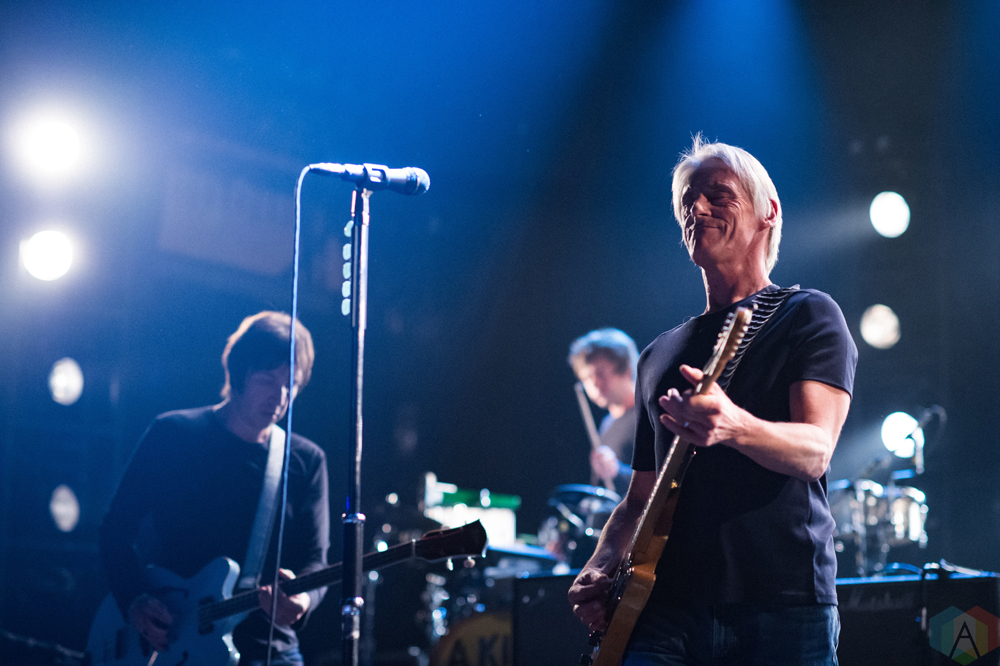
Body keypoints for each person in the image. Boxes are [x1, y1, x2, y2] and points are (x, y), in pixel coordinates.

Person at [568, 136, 858, 665]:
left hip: (781, 601)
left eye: (718, 195)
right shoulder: (658, 354)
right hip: (662, 608)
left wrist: (734, 426)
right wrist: (601, 563)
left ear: (768, 212)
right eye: (688, 201)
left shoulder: (807, 314)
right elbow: (639, 498)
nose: (697, 208)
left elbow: (815, 450)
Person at [99, 311, 330, 666]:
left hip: (267, 647)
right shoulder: (173, 434)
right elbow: (116, 530)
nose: (280, 396)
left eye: (292, 384)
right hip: (173, 640)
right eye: (267, 380)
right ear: (238, 373)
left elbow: (316, 558)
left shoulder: (306, 460)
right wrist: (135, 600)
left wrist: (304, 599)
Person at [569, 328, 639, 497]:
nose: (594, 384)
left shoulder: (649, 415)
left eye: (599, 374)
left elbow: (665, 481)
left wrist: (617, 471)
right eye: (586, 378)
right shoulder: (607, 424)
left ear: (627, 369)